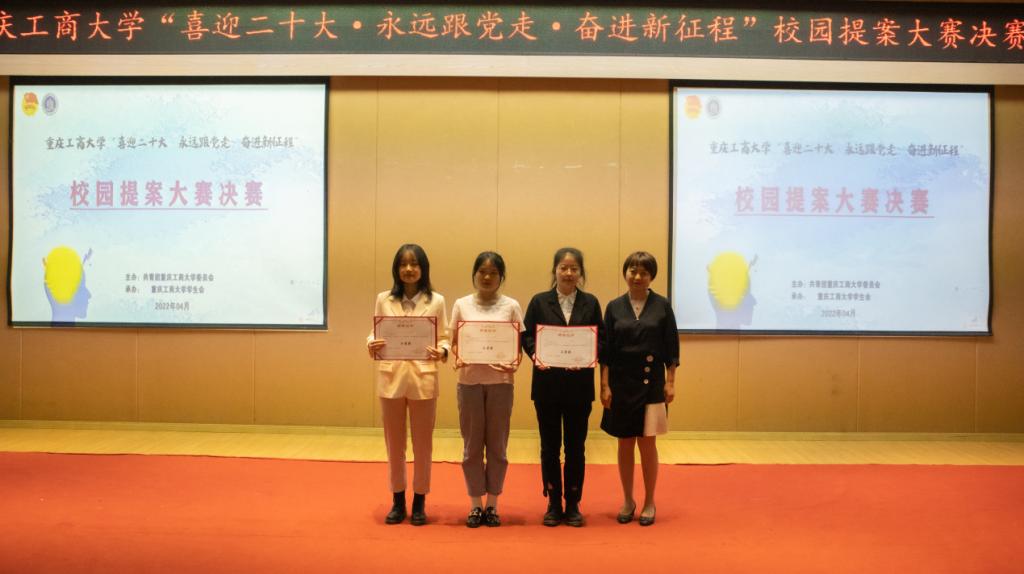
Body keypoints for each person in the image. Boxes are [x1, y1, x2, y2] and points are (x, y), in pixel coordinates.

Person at [367, 244, 449, 526]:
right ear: (396, 269)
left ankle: (420, 500)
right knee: (394, 445)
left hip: (423, 379)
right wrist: (371, 343)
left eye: (414, 264)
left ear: (423, 268)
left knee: (423, 445)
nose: (409, 269)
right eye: (403, 264)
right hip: (391, 378)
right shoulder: (384, 299)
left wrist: (443, 351)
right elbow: (375, 332)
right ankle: (398, 500)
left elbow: (444, 336)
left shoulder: (436, 301)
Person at [521, 247, 604, 527]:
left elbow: (601, 339)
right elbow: (527, 336)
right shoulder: (539, 301)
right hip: (547, 386)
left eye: (574, 269)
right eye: (563, 268)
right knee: (549, 447)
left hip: (579, 388)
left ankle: (574, 502)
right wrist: (536, 355)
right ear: (555, 270)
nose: (568, 273)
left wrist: (588, 356)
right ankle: (553, 501)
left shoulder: (591, 303)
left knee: (576, 447)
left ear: (581, 273)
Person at [600, 251, 679, 527]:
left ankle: (649, 501)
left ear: (651, 276)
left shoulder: (662, 306)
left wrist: (670, 381)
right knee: (624, 443)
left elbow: (672, 347)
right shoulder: (613, 307)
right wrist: (604, 385)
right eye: (632, 271)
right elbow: (605, 352)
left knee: (647, 444)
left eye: (643, 272)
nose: (637, 277)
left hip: (652, 384)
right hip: (620, 384)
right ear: (625, 273)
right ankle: (627, 500)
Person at [450, 251, 524, 528]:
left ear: (501, 277)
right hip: (468, 382)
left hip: (501, 385)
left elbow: (517, 348)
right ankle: (474, 505)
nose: (487, 277)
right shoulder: (461, 305)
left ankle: (492, 504)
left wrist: (514, 363)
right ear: (474, 274)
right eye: (482, 271)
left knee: (497, 446)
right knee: (471, 447)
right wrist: (458, 356)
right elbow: (454, 342)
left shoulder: (511, 306)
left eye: (493, 272)